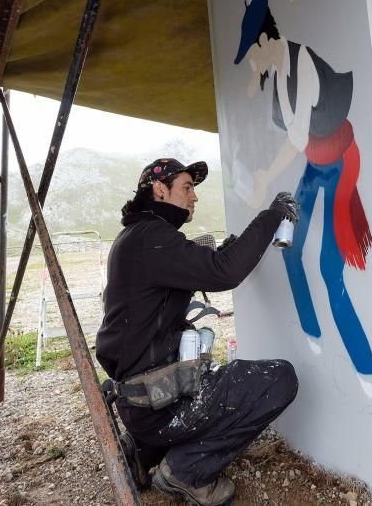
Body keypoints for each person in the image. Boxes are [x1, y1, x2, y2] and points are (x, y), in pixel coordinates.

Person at [211, 0, 372, 384]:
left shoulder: (300, 63)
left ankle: (363, 367)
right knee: (289, 249)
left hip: (341, 162)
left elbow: (298, 136)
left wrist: (265, 177)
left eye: (255, 54)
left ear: (267, 40)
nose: (256, 66)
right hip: (313, 167)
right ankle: (311, 335)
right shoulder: (275, 72)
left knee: (330, 267)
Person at [95, 157, 301, 506]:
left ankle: (145, 451)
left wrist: (230, 248)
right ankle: (186, 471)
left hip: (141, 399)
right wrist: (272, 216)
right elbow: (224, 272)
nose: (194, 197)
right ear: (159, 190)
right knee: (279, 378)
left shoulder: (136, 236)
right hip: (158, 402)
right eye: (187, 187)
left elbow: (201, 266)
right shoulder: (152, 239)